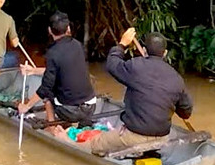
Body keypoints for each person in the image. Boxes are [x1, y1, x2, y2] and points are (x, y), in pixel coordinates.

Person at [82, 27, 192, 156]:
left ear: (144, 50)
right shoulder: (176, 78)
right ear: (165, 53)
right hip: (163, 138)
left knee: (94, 144)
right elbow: (186, 112)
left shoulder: (135, 66)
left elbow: (112, 64)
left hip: (134, 136)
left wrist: (122, 44)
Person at [15, 12, 97, 124]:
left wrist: (26, 106)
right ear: (68, 28)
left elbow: (45, 88)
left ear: (49, 30)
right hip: (91, 106)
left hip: (70, 112)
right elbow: (63, 70)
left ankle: (52, 126)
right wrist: (33, 70)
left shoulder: (53, 53)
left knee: (48, 93)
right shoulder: (78, 45)